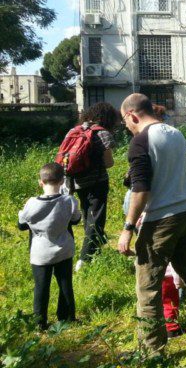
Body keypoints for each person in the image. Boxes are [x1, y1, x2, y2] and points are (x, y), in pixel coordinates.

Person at [117, 93, 186, 356]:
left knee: (147, 285)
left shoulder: (140, 141)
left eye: (125, 122)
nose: (127, 128)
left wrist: (128, 228)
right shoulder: (176, 133)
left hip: (161, 220)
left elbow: (140, 190)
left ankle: (153, 352)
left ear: (132, 115)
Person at [18, 162, 81, 330]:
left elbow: (22, 224)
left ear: (41, 182)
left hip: (40, 253)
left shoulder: (31, 203)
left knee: (41, 287)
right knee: (65, 284)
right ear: (62, 181)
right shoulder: (69, 200)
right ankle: (67, 318)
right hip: (64, 250)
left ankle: (40, 323)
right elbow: (76, 220)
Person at [70, 102, 118, 272]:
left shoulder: (75, 130)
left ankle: (95, 251)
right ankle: (85, 260)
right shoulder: (102, 133)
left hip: (76, 182)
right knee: (96, 219)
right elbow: (109, 162)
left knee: (87, 215)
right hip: (97, 181)